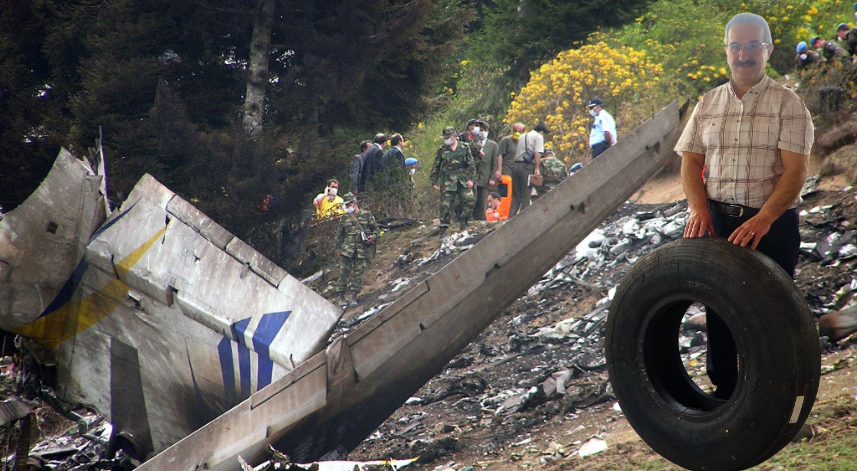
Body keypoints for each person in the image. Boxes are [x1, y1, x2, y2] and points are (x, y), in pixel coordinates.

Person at [675, 12, 814, 399]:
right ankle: (726, 397)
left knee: (773, 316)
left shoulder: (789, 105)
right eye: (736, 46)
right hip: (718, 220)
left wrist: (764, 219)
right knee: (720, 309)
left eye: (753, 45)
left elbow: (796, 171)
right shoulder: (709, 103)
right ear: (726, 51)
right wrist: (698, 208)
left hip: (772, 226)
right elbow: (690, 160)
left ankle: (778, 401)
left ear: (768, 49)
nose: (744, 54)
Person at [430, 126, 476, 239]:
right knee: (445, 205)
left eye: (448, 137)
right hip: (448, 181)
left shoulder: (464, 147)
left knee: (469, 199)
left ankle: (464, 220)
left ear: (454, 136)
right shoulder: (442, 150)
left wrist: (470, 179)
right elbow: (436, 166)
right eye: (445, 137)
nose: (446, 139)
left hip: (462, 179)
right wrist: (434, 181)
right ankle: (443, 228)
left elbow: (471, 165)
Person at [334, 193, 379, 307]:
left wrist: (372, 237)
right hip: (347, 250)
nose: (347, 207)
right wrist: (337, 248)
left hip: (362, 250)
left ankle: (353, 297)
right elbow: (339, 235)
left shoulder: (367, 215)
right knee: (344, 273)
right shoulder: (344, 218)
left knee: (359, 274)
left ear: (355, 203)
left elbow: (376, 230)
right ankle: (341, 297)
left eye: (349, 204)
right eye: (346, 205)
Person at [509, 123, 548, 217]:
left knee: (515, 196)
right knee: (526, 196)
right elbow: (537, 153)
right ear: (541, 132)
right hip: (526, 167)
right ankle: (523, 220)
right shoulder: (538, 136)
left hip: (516, 166)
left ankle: (509, 219)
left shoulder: (523, 136)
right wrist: (537, 169)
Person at [496, 123, 524, 220]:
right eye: (515, 131)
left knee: (515, 197)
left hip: (516, 173)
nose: (517, 133)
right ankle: (502, 216)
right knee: (506, 196)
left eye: (519, 132)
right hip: (505, 172)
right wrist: (499, 170)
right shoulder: (506, 140)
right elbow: (499, 155)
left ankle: (510, 216)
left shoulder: (523, 143)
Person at [473, 121, 499, 220]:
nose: (482, 132)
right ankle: (471, 219)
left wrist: (492, 177)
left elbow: (494, 163)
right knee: (472, 200)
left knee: (482, 200)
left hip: (485, 177)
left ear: (488, 131)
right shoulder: (473, 144)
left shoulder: (493, 145)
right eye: (480, 130)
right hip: (474, 176)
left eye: (484, 130)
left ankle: (481, 219)